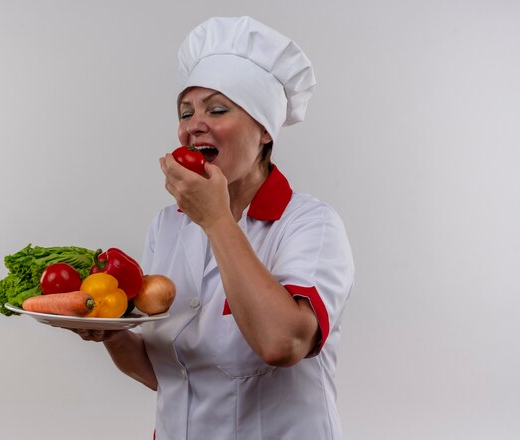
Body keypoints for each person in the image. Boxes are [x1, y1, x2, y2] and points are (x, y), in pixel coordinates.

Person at [75, 16, 354, 440]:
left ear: (263, 129)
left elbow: (284, 344)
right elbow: (167, 375)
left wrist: (216, 219)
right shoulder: (167, 226)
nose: (193, 124)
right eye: (185, 113)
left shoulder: (311, 225)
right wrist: (110, 334)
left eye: (217, 109)